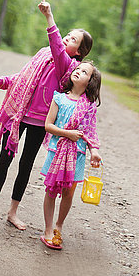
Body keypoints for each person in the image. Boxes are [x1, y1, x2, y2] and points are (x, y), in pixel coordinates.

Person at [0, 0, 93, 230]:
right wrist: (3, 80)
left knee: (25, 165)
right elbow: (24, 78)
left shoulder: (68, 66)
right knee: (4, 160)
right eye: (67, 35)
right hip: (18, 116)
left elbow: (57, 48)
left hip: (40, 122)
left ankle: (13, 211)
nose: (66, 39)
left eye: (72, 39)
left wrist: (49, 16)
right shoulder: (43, 53)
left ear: (79, 52)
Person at [40, 60, 102, 250]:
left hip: (78, 154)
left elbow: (91, 131)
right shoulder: (59, 98)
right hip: (56, 150)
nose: (78, 72)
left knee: (68, 192)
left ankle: (59, 225)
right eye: (77, 69)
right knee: (51, 190)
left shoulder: (89, 105)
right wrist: (67, 134)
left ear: (90, 82)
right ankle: (48, 228)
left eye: (84, 72)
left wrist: (95, 151)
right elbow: (48, 126)